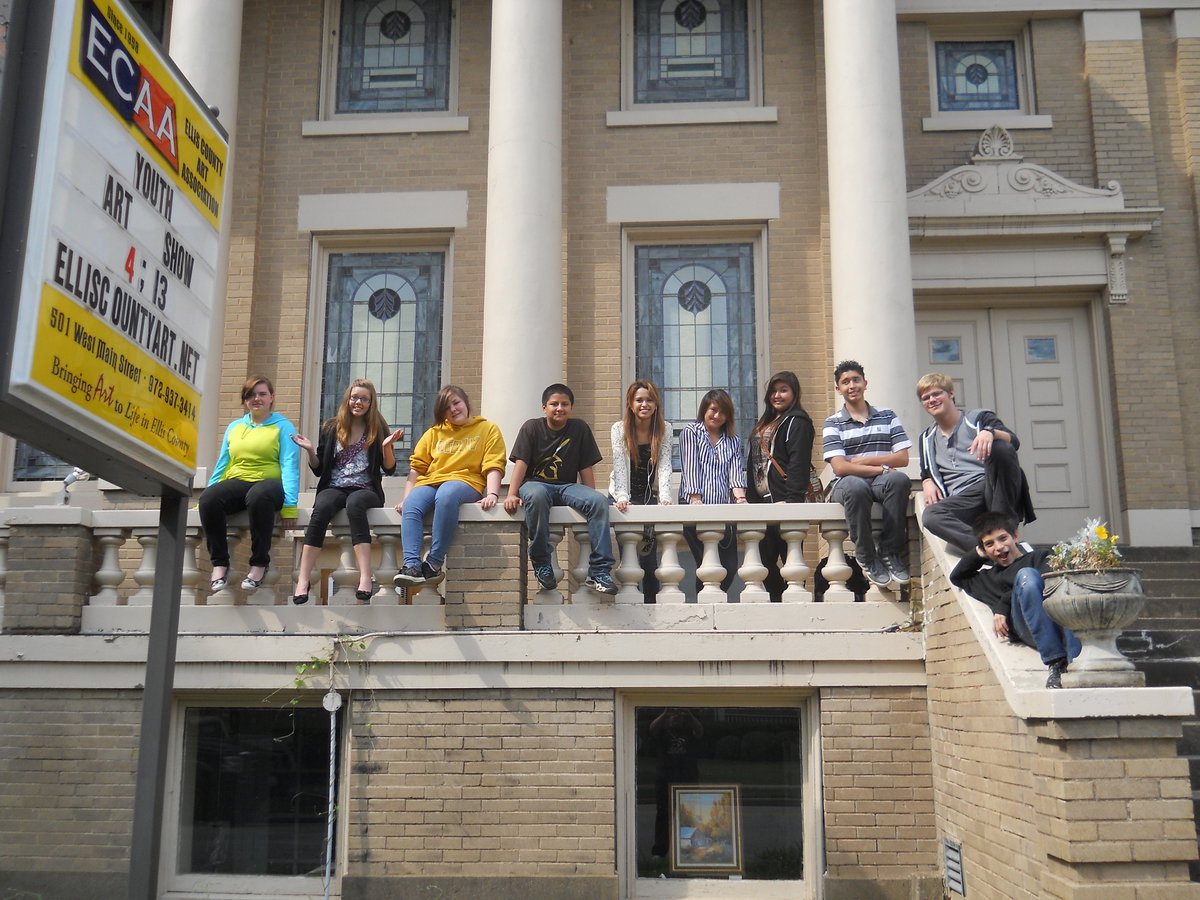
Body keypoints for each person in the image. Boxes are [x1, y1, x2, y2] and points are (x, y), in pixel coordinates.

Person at [289, 379, 404, 604]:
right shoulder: (332, 427)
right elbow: (319, 467)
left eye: (364, 399)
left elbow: (389, 469)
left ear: (371, 403)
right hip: (334, 487)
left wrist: (386, 447)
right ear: (347, 399)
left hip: (365, 489)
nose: (358, 402)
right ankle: (303, 580)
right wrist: (311, 451)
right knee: (321, 507)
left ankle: (365, 577)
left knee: (355, 505)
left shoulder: (377, 428)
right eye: (354, 397)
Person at [504, 383, 617, 595]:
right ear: (544, 407)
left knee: (599, 500)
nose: (559, 408)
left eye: (564, 404)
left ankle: (600, 571)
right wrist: (511, 493)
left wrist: (590, 497)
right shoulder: (532, 428)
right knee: (536, 496)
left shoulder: (579, 429)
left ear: (571, 407)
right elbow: (521, 464)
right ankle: (541, 561)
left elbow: (586, 468)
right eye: (554, 404)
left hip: (567, 487)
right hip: (535, 484)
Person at [950, 511, 1080, 688]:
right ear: (984, 550)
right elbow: (957, 577)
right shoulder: (987, 579)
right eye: (989, 544)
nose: (998, 547)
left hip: (1054, 619)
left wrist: (1002, 605)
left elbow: (1051, 582)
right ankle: (1056, 663)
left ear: (1015, 536)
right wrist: (977, 553)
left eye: (1003, 538)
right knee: (1025, 576)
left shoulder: (1039, 557)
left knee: (1038, 578)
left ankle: (1077, 661)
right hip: (1027, 627)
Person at [393, 385, 507, 588]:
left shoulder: (487, 429)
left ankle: (434, 563)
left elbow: (494, 464)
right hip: (432, 481)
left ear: (466, 402)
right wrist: (406, 497)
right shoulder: (434, 433)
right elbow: (417, 468)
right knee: (412, 504)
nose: (453, 410)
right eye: (447, 408)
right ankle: (411, 566)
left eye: (456, 403)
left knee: (446, 494)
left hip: (467, 482)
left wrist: (492, 493)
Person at [198, 376, 300, 593]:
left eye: (262, 394)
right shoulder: (235, 427)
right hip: (239, 480)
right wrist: (206, 498)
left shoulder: (283, 427)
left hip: (270, 484)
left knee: (258, 495)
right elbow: (223, 464)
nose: (257, 399)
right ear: (245, 400)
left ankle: (259, 563)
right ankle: (219, 563)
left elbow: (290, 466)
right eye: (251, 395)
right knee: (209, 499)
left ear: (272, 398)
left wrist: (290, 506)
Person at [916, 373, 1036, 554]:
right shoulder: (926, 438)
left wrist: (990, 432)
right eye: (926, 398)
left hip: (992, 487)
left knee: (1001, 448)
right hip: (962, 499)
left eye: (936, 394)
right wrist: (926, 481)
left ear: (951, 394)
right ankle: (988, 549)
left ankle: (1002, 538)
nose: (931, 400)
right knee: (931, 516)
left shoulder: (978, 418)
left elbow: (1014, 442)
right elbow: (926, 471)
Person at [822, 360, 912, 588]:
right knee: (856, 486)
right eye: (845, 382)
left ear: (865, 383)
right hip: (846, 485)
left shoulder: (887, 416)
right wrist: (881, 467)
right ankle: (866, 556)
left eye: (855, 380)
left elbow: (902, 458)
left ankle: (890, 552)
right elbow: (841, 467)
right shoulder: (833, 423)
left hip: (880, 483)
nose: (851, 385)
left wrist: (868, 460)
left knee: (899, 479)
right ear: (838, 389)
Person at [746, 371, 815, 602]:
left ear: (794, 393)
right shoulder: (765, 422)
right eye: (774, 391)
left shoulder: (798, 421)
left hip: (785, 501)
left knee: (791, 559)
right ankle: (776, 602)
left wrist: (793, 500)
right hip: (762, 503)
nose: (777, 395)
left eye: (783, 390)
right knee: (763, 562)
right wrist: (750, 500)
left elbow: (799, 462)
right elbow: (753, 462)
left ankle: (794, 606)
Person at [609, 380, 674, 603]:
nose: (644, 404)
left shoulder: (665, 429)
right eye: (639, 400)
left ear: (656, 404)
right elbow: (619, 464)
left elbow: (665, 466)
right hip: (623, 496)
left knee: (648, 558)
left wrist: (665, 498)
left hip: (650, 499)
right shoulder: (619, 429)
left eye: (649, 400)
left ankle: (650, 604)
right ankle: (629, 602)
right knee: (628, 554)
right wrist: (622, 497)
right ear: (630, 403)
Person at [678, 389, 747, 593]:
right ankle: (704, 606)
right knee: (707, 563)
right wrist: (695, 499)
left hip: (723, 510)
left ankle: (711, 601)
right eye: (713, 410)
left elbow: (736, 473)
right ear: (704, 410)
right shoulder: (691, 431)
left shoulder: (733, 440)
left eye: (722, 412)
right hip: (694, 508)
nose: (717, 416)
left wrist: (740, 499)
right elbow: (690, 467)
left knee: (730, 566)